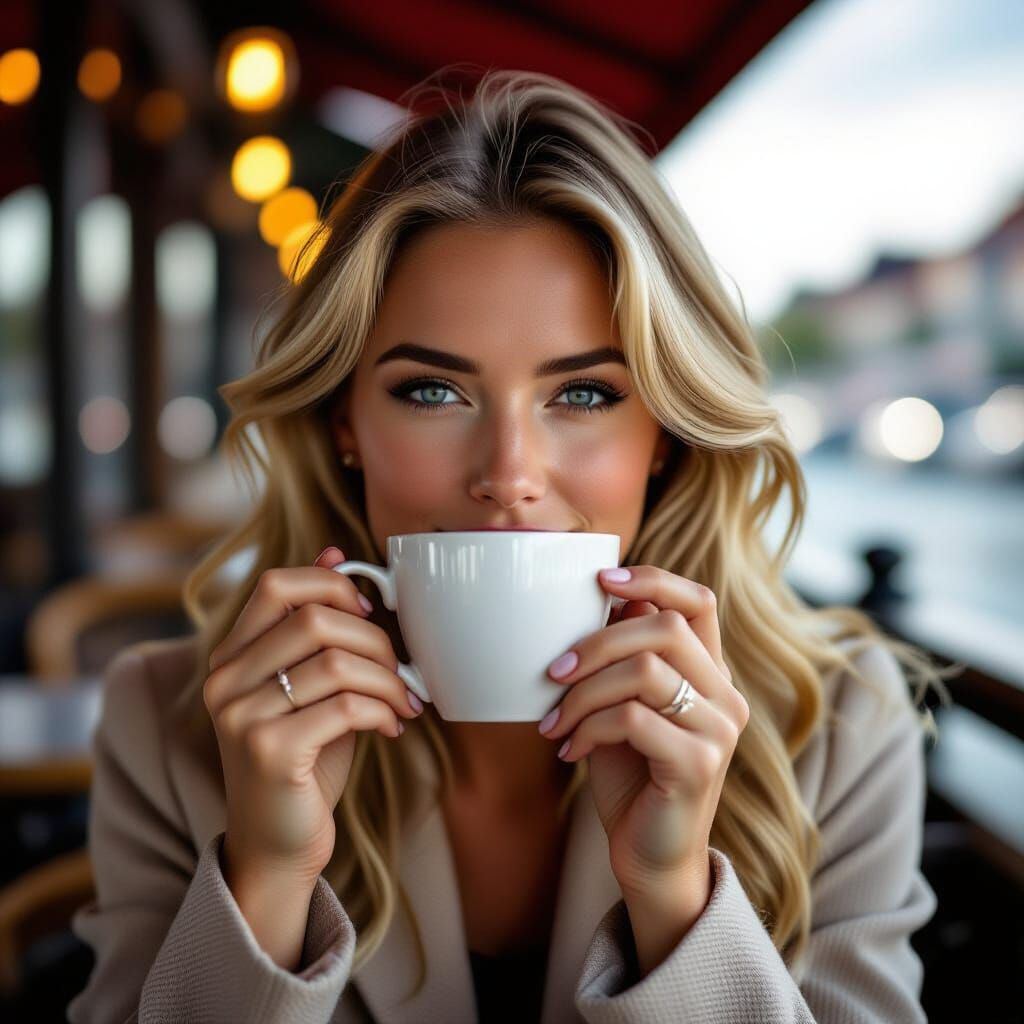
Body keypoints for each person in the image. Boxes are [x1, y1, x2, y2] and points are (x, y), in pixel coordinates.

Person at [67, 67, 954, 1023]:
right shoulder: (172, 726)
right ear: (343, 423)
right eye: (431, 391)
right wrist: (268, 876)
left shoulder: (841, 726)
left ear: (666, 435)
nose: (510, 471)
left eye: (583, 394)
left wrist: (676, 902)